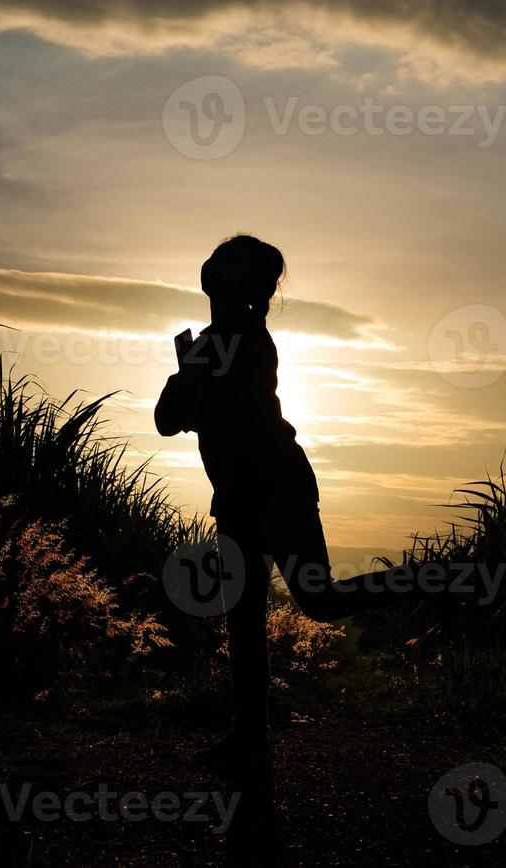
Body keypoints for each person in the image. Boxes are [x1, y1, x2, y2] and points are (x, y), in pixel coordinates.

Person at [155, 234, 436, 764]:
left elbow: (204, 418)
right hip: (238, 496)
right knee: (243, 614)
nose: (212, 267)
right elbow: (168, 421)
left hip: (276, 487)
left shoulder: (245, 341)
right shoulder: (210, 342)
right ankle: (249, 736)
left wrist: (190, 387)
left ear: (248, 286)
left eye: (227, 263)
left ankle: (421, 579)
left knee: (319, 601)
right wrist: (187, 383)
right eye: (215, 259)